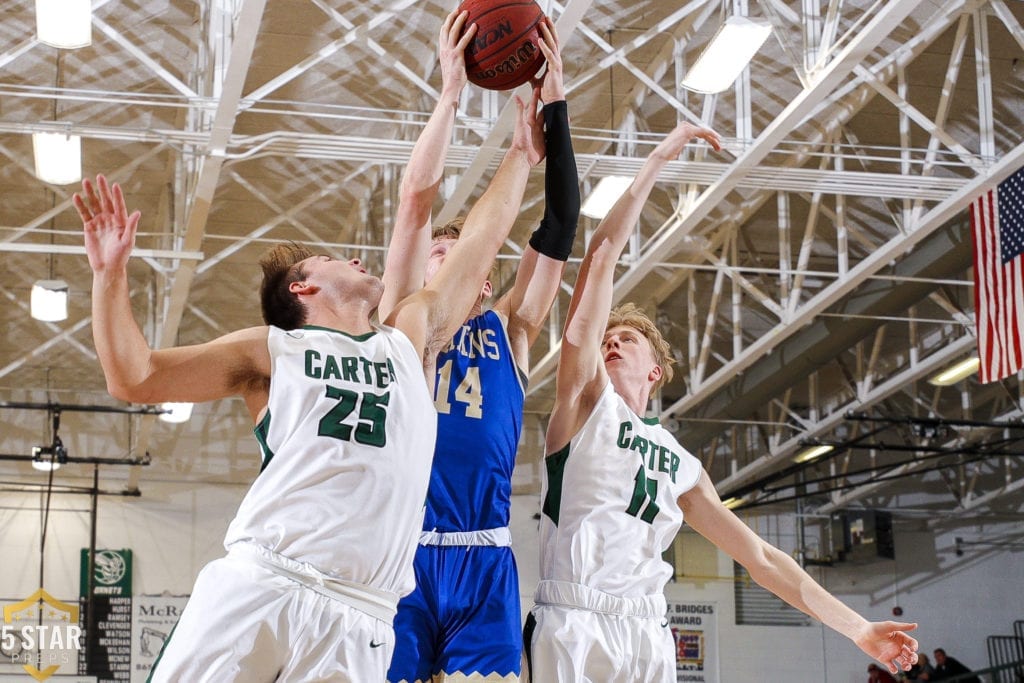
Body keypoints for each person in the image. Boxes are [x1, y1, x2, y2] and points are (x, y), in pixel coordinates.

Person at [73, 75, 545, 681]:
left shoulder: (410, 340)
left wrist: (517, 155)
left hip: (364, 617)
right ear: (302, 288)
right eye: (330, 258)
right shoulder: (275, 350)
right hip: (266, 581)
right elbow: (134, 377)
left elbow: (480, 240)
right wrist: (110, 277)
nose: (353, 257)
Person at [523, 120, 922, 682]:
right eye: (606, 337)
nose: (611, 341)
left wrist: (856, 627)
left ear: (655, 371)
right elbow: (602, 256)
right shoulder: (585, 403)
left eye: (627, 339)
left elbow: (762, 560)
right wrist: (657, 159)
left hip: (647, 627)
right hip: (574, 617)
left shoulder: (681, 464)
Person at [383, 15, 579, 683]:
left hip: (484, 553)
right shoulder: (401, 320)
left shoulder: (511, 327)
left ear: (480, 274)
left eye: (453, 256)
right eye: (435, 257)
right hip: (402, 551)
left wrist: (555, 111)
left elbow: (559, 227)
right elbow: (415, 200)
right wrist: (448, 94)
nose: (442, 266)